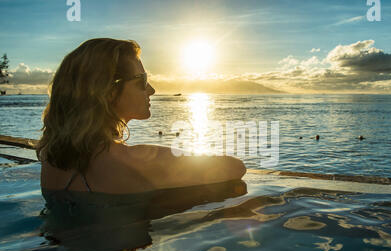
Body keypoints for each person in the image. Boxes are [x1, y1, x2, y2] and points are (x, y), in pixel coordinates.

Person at [36, 38, 246, 194]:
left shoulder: (50, 158)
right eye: (142, 81)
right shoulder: (133, 161)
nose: (152, 90)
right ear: (108, 92)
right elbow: (235, 167)